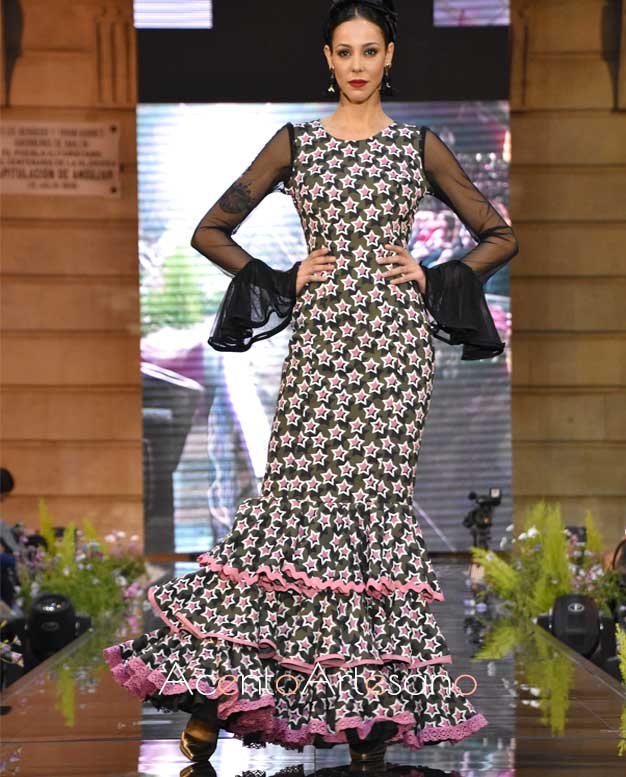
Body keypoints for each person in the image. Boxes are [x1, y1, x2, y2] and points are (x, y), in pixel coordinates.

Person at [103, 0, 519, 767]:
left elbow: (502, 234)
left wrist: (435, 277)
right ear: (326, 59)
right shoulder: (296, 144)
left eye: (370, 50)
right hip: (323, 349)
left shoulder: (417, 147)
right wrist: (281, 276)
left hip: (394, 355)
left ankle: (369, 718)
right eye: (343, 51)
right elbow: (208, 230)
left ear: (390, 55)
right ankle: (212, 691)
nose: (357, 65)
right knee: (291, 511)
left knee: (371, 519)